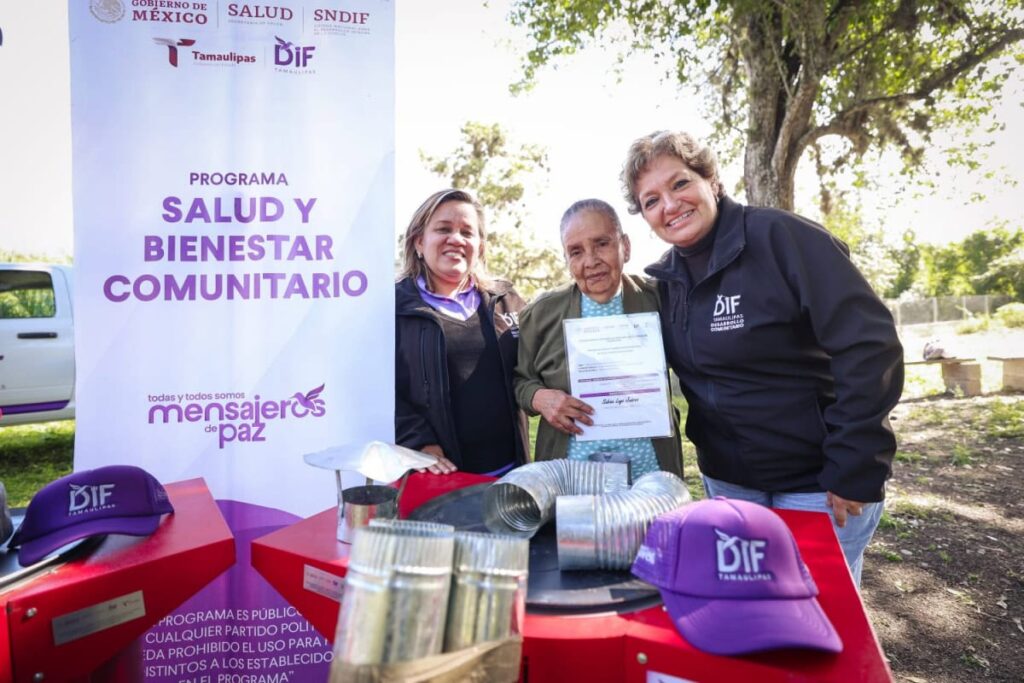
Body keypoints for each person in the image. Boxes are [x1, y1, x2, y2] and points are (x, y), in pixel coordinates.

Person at [621, 130, 904, 584]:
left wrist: (855, 464)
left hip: (818, 482)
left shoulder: (784, 239)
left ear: (712, 181)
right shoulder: (666, 284)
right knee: (752, 606)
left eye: (680, 183)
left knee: (818, 611)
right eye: (651, 200)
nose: (669, 205)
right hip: (730, 484)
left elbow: (869, 347)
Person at [513, 199, 684, 478]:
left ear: (625, 246)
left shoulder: (660, 299)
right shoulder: (541, 314)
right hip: (571, 478)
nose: (591, 261)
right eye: (576, 252)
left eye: (602, 244)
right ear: (566, 260)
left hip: (651, 475)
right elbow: (520, 380)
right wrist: (539, 398)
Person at [395, 189, 529, 476]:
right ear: (419, 241)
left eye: (467, 232)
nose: (456, 239)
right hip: (442, 480)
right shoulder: (394, 309)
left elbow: (535, 368)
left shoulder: (506, 300)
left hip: (511, 475)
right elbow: (375, 389)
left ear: (479, 247)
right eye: (444, 229)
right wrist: (418, 441)